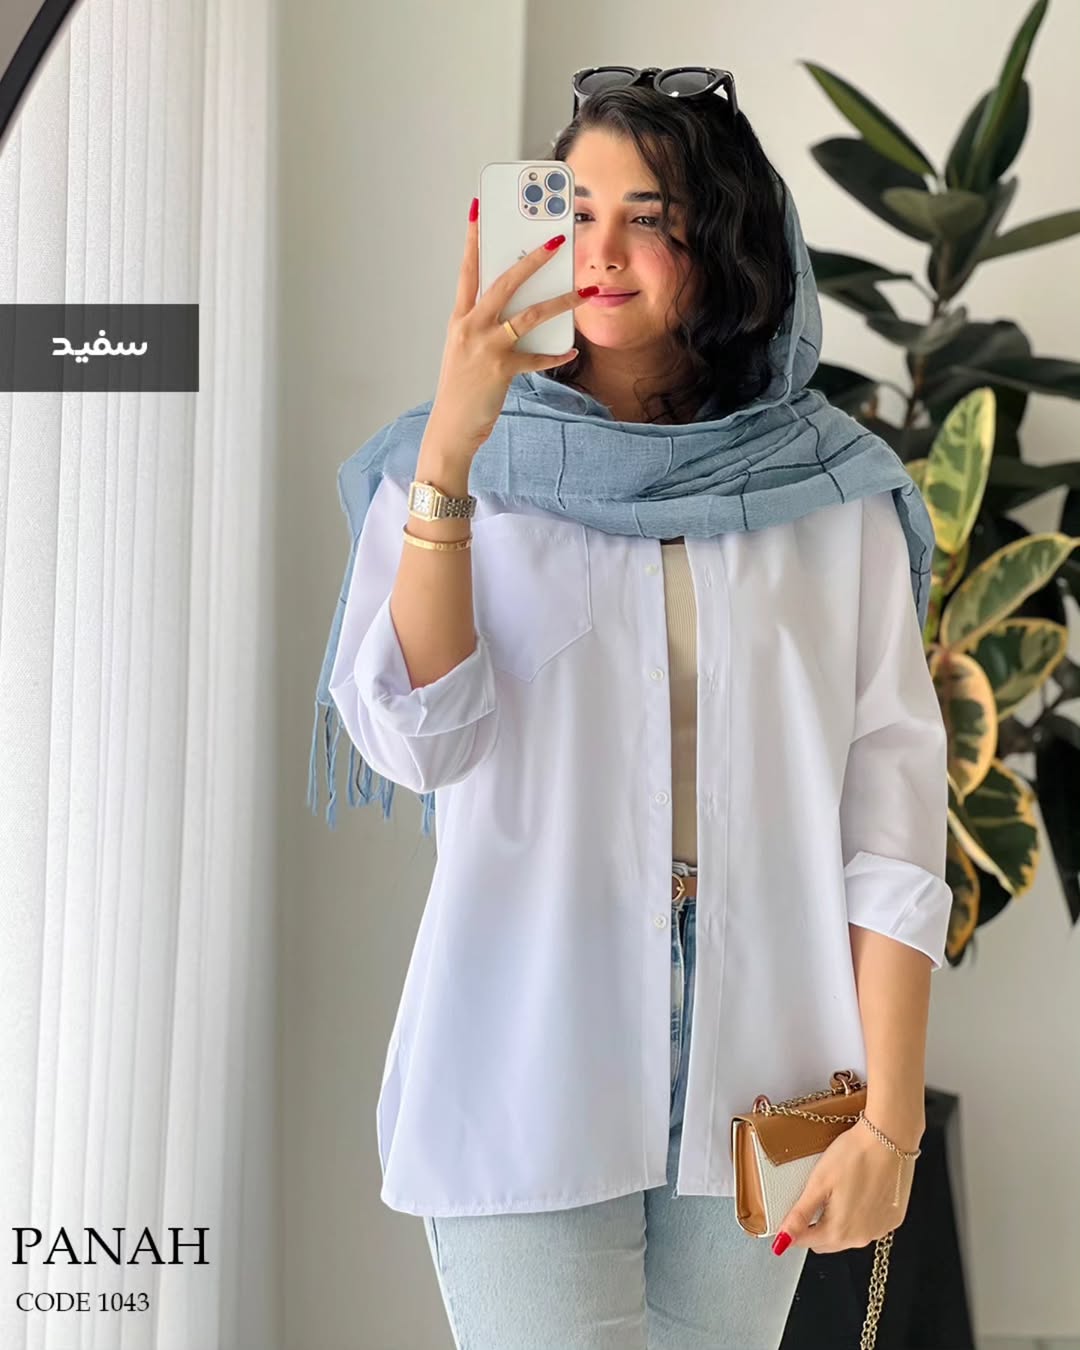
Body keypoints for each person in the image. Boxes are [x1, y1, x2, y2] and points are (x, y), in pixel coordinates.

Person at [322, 69, 950, 1350]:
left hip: (766, 1059)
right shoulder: (463, 469)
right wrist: (450, 456)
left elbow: (890, 822)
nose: (599, 252)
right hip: (522, 1039)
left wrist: (892, 1121)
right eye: (574, 212)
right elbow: (420, 741)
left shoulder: (834, 497)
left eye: (648, 217)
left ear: (725, 244)